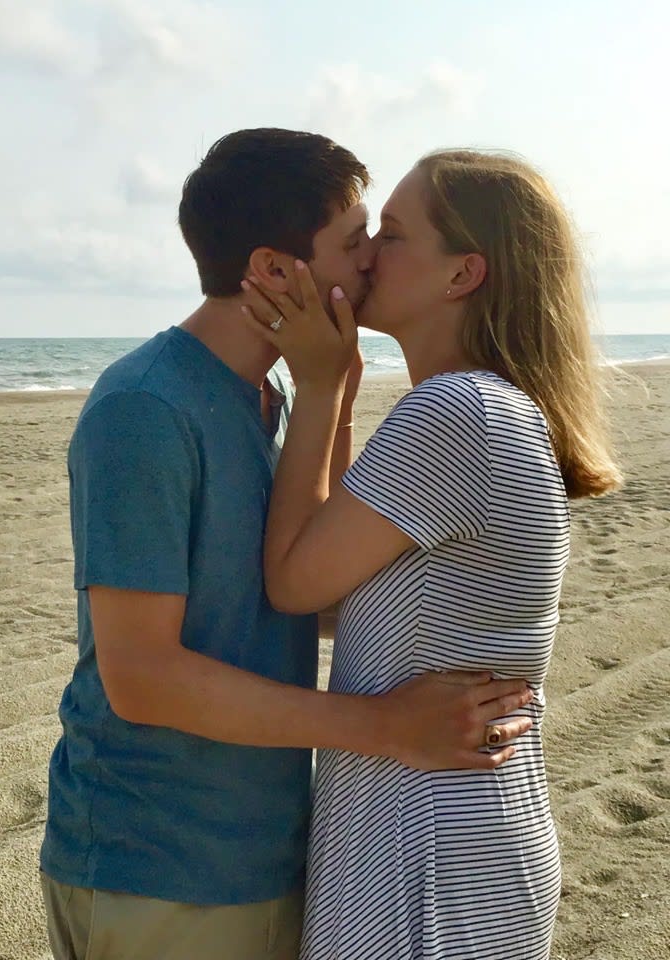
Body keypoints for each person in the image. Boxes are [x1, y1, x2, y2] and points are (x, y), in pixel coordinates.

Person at [39, 131, 535, 960]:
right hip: (159, 867)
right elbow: (141, 677)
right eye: (353, 240)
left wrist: (327, 392)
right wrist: (383, 727)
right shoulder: (145, 409)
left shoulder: (271, 400)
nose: (372, 258)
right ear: (275, 270)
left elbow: (325, 588)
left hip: (263, 854)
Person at [241, 149, 621, 959]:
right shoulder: (485, 409)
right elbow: (339, 594)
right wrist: (337, 391)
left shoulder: (458, 413)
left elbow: (291, 584)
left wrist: (315, 391)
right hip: (443, 825)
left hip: (430, 844)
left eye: (396, 234)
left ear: (463, 275)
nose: (369, 252)